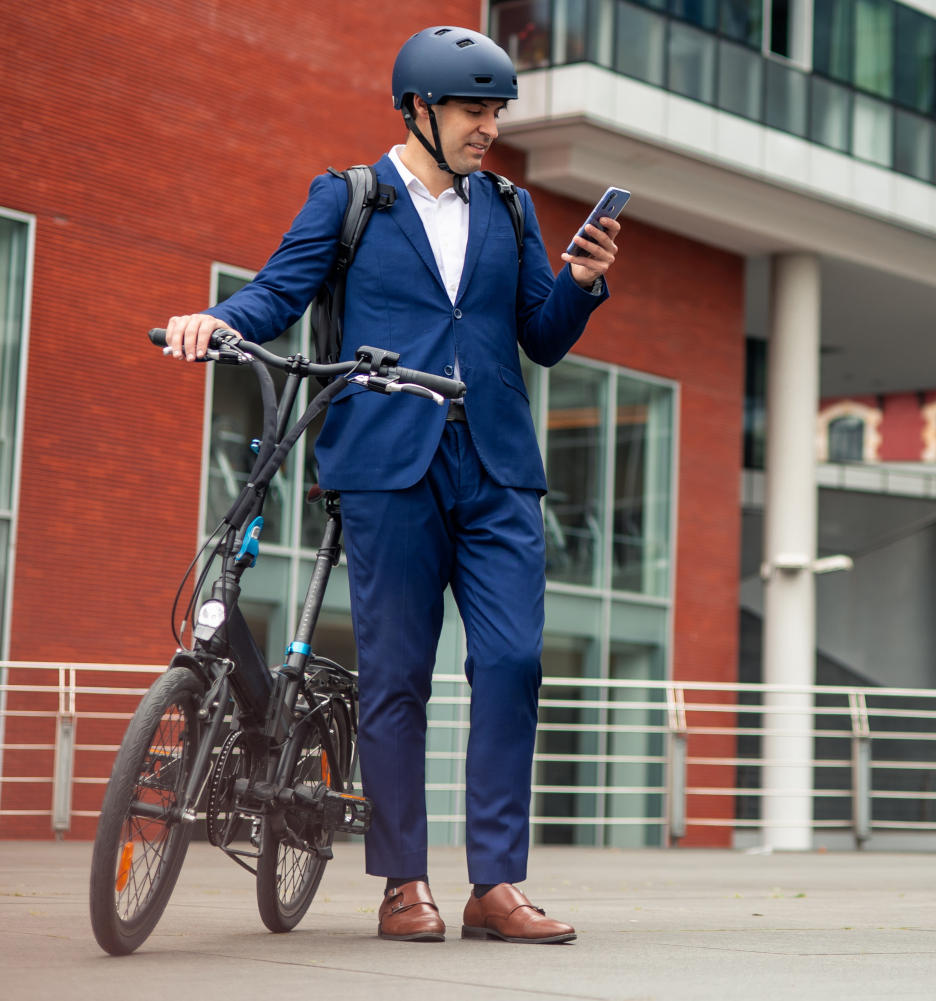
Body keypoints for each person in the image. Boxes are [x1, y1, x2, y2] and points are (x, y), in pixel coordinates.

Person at [159, 24, 621, 945]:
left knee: (513, 664)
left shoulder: (511, 208)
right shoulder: (351, 199)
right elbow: (278, 291)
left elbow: (539, 336)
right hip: (387, 467)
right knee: (398, 677)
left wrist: (578, 282)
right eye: (472, 110)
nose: (489, 126)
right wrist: (212, 320)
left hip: (495, 468)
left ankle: (497, 885)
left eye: (496, 111)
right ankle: (404, 883)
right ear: (418, 109)